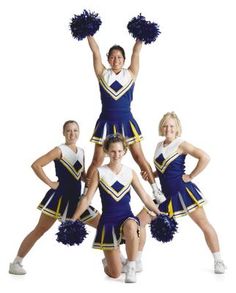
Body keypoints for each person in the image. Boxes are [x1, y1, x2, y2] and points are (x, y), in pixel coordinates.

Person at [139, 111, 226, 274]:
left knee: (204, 225)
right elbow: (163, 169)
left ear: (177, 128)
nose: (168, 128)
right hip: (163, 195)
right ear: (161, 127)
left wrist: (191, 176)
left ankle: (219, 261)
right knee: (139, 222)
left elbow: (205, 157)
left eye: (171, 126)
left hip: (183, 192)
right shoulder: (159, 146)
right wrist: (152, 175)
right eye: (165, 125)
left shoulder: (181, 143)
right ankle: (135, 261)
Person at [9, 120, 100, 275]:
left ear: (79, 132)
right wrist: (51, 183)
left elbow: (79, 174)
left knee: (102, 224)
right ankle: (16, 262)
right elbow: (36, 165)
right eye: (69, 131)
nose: (72, 134)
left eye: (75, 130)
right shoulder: (59, 150)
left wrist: (85, 178)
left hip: (77, 199)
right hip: (59, 198)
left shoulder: (82, 151)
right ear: (63, 133)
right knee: (40, 229)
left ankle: (117, 258)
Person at [84, 36, 165, 205]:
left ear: (124, 59)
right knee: (97, 160)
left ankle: (155, 190)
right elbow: (95, 51)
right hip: (105, 122)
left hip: (126, 122)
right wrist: (88, 32)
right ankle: (85, 195)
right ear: (108, 59)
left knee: (139, 156)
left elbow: (137, 51)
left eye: (119, 57)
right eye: (112, 57)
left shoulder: (130, 74)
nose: (116, 60)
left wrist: (141, 36)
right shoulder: (102, 74)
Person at [72, 133, 159, 283]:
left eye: (119, 151)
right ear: (106, 152)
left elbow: (144, 196)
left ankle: (131, 266)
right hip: (108, 223)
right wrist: (73, 218)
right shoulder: (99, 172)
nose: (116, 154)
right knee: (115, 274)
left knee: (133, 226)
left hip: (126, 217)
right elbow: (87, 198)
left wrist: (159, 212)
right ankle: (109, 262)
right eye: (112, 151)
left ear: (125, 151)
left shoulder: (130, 172)